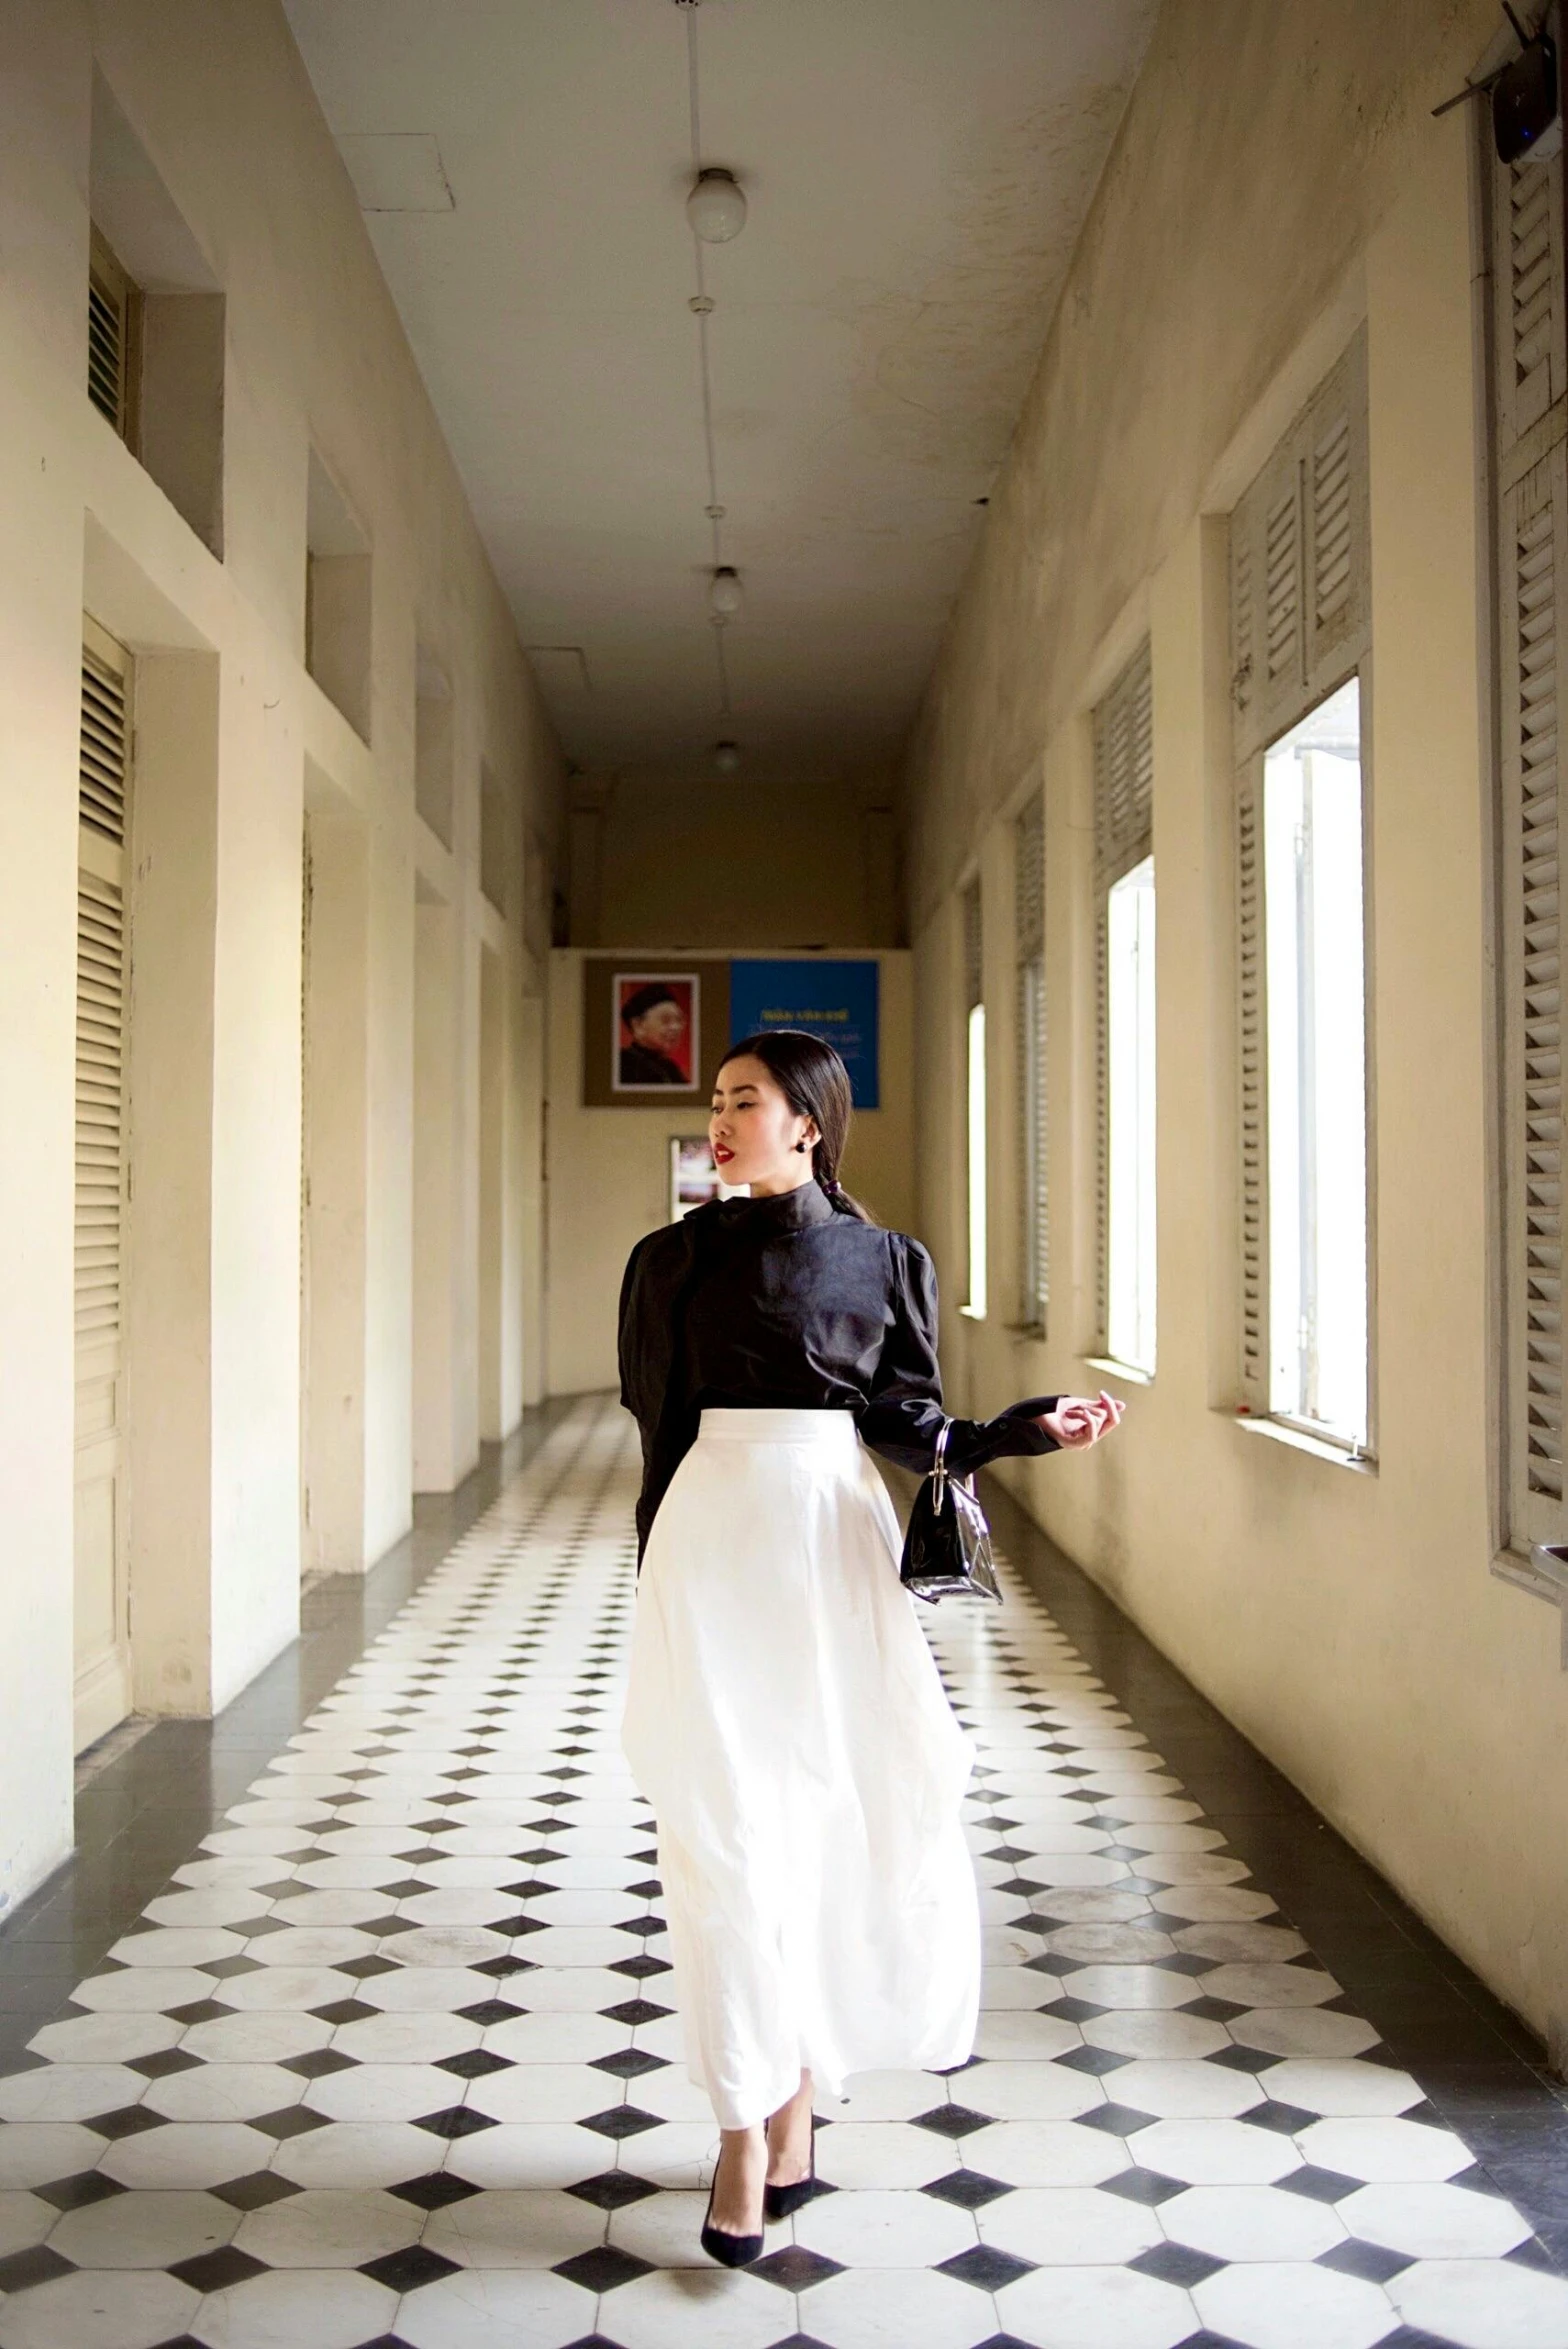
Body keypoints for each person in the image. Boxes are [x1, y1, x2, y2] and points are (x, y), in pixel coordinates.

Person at [616, 1030, 1125, 2266]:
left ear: (810, 1123)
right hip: (711, 1543)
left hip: (829, 1543)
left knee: (829, 1822)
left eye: (747, 1101)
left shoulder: (884, 1260)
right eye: (718, 1101)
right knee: (725, 1833)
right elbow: (657, 1424)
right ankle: (750, 2126)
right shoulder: (666, 1259)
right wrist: (660, 1577)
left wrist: (1013, 1434)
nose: (722, 1120)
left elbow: (904, 1418)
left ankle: (784, 2108)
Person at [618, 982, 690, 1085]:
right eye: (666, 1020)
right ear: (637, 1025)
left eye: (679, 1020)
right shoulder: (622, 1065)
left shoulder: (670, 1068)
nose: (676, 1027)